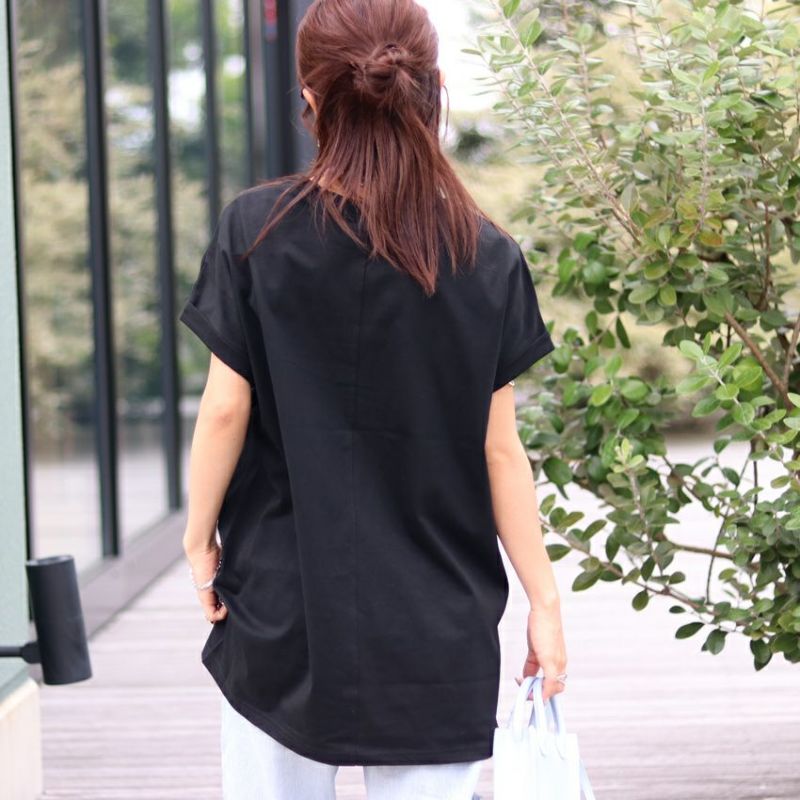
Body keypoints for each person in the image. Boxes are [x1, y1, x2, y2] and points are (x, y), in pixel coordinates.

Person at [179, 0, 567, 797]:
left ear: (311, 97)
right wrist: (544, 601)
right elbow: (500, 452)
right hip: (436, 620)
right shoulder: (486, 255)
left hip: (283, 605)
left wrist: (197, 540)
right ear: (434, 89)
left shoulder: (254, 231)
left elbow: (223, 411)